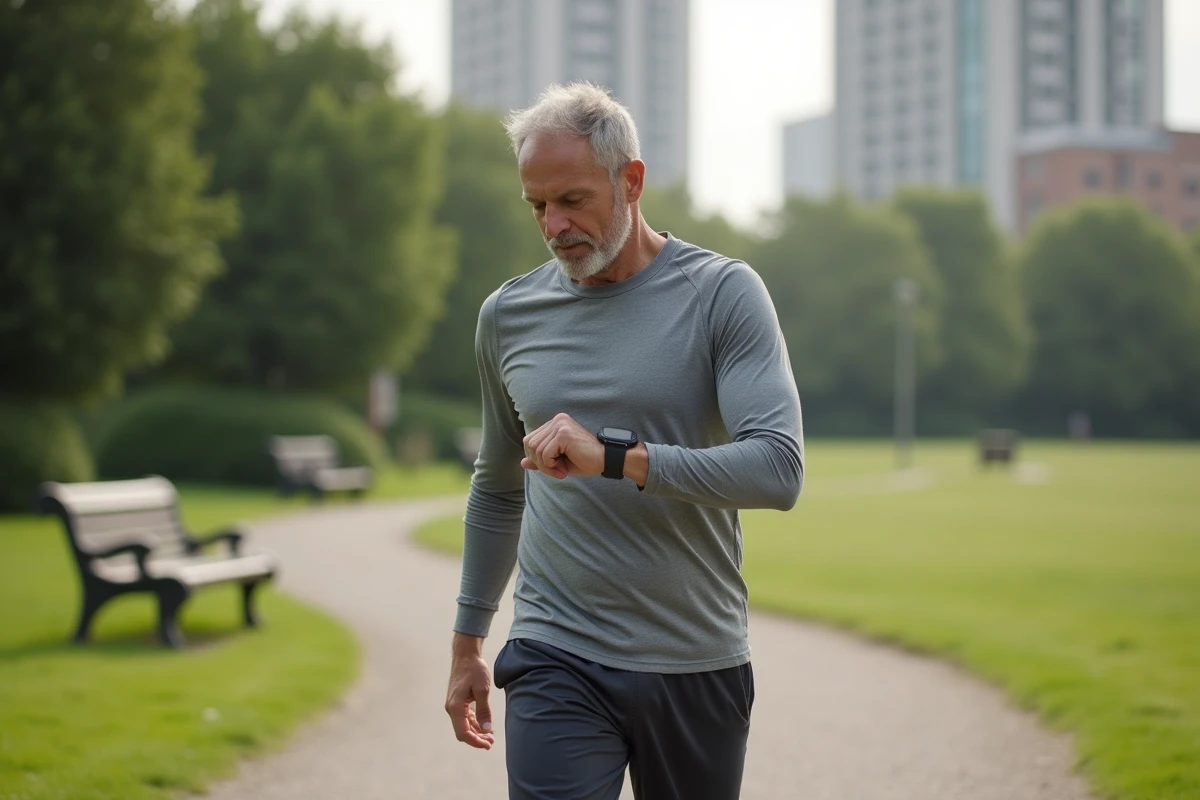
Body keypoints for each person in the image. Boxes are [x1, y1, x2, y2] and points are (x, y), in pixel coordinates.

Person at [443, 82, 804, 800]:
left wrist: (615, 458)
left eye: (572, 200)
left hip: (695, 655)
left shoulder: (723, 295)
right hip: (556, 652)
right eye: (537, 206)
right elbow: (497, 488)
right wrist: (467, 644)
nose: (553, 225)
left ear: (630, 180)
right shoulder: (507, 316)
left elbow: (777, 469)